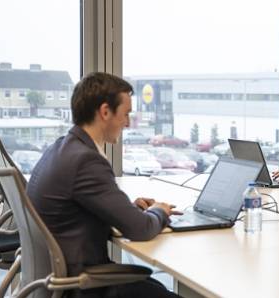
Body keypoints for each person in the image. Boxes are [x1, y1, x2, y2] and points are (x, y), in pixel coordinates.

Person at [26, 72, 179, 298]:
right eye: (125, 114)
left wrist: (127, 210)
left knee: (156, 288)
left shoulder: (63, 148)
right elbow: (141, 229)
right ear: (105, 111)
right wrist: (160, 211)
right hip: (84, 285)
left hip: (58, 281)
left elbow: (78, 208)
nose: (127, 123)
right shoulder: (86, 160)